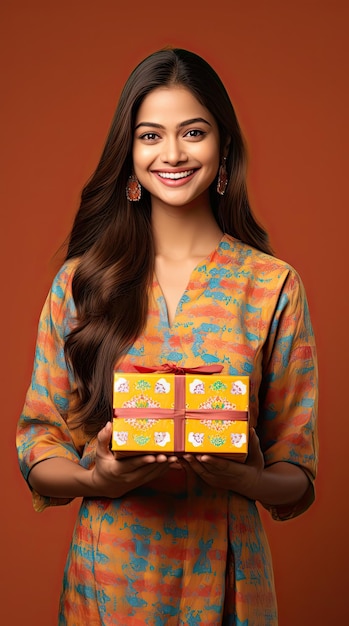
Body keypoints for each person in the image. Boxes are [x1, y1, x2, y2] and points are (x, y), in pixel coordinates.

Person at [16, 48, 318, 625]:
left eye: (193, 132)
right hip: (110, 579)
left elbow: (297, 472)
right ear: (129, 154)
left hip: (229, 578)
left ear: (223, 146)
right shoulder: (81, 283)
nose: (173, 154)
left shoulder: (272, 286)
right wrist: (92, 475)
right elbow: (38, 441)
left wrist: (248, 477)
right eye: (151, 135)